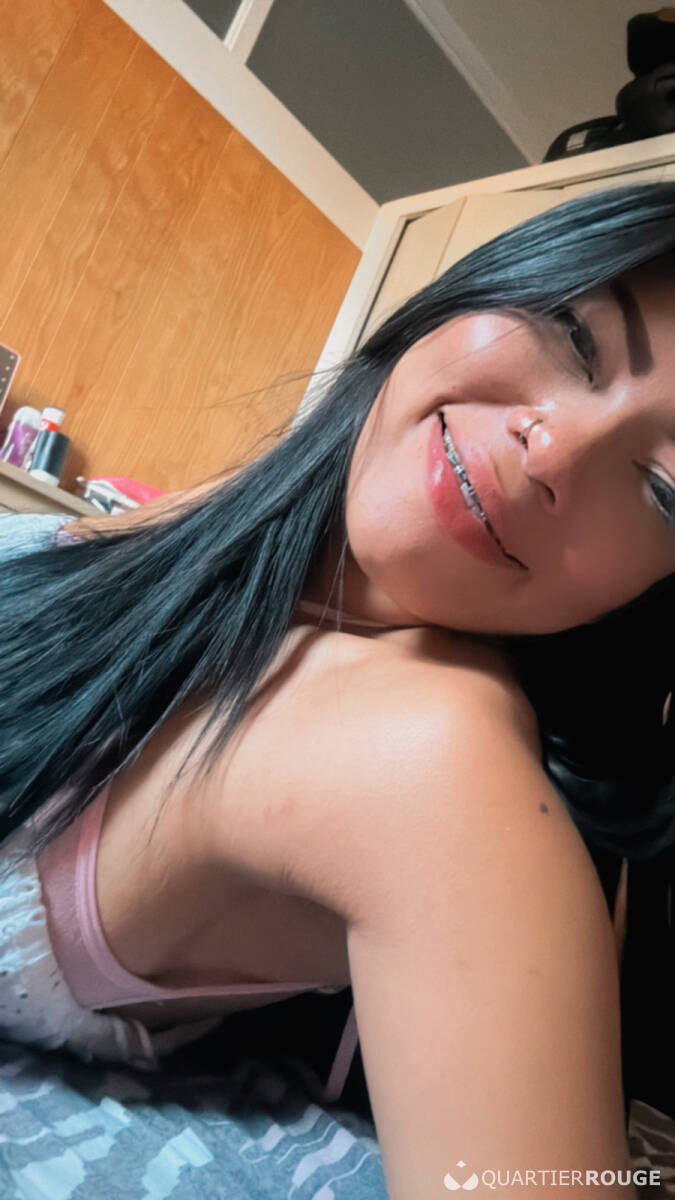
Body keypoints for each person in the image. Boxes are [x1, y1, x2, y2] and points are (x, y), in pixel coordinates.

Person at [2, 180, 675, 1198]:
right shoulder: (246, 529)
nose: (554, 449)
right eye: (578, 339)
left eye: (662, 490)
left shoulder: (431, 750)